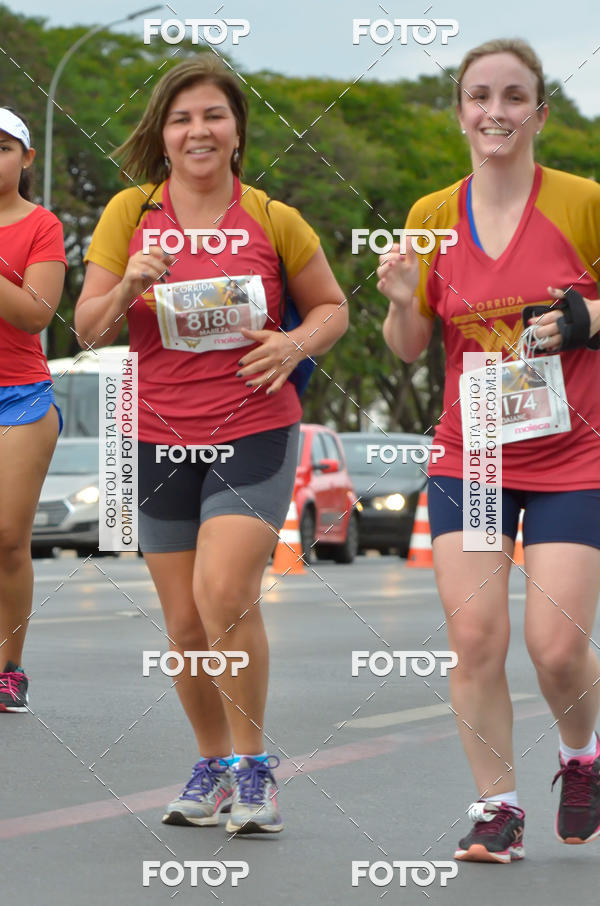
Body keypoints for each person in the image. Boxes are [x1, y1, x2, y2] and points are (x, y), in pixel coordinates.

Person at [75, 58, 347, 834]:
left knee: (223, 594)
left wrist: (295, 343)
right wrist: (127, 284)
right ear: (162, 135)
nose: (198, 130)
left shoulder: (272, 216)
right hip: (154, 435)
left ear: (237, 132)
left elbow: (332, 307)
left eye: (213, 117)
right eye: (182, 118)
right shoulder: (131, 213)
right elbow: (87, 328)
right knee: (186, 626)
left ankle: (255, 769)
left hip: (252, 428)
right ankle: (213, 765)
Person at [378, 38, 600, 862]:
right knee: (475, 641)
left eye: (514, 97)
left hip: (573, 459)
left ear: (540, 112)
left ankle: (583, 756)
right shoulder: (432, 216)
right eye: (480, 96)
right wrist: (402, 301)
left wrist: (587, 318)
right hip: (470, 460)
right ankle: (496, 808)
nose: (495, 111)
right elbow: (407, 346)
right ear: (461, 111)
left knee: (556, 645)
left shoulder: (583, 204)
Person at [0, 108, 66, 712]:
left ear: (24, 157)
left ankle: (9, 667)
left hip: (17, 397)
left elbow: (35, 313)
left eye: (1, 147)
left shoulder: (41, 225)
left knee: (7, 538)